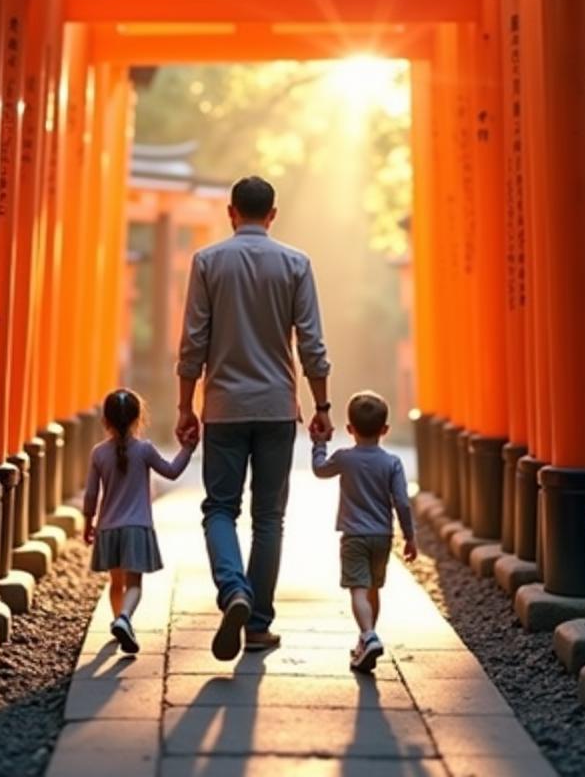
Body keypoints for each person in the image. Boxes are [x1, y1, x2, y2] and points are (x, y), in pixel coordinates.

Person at [176, 175, 333, 661]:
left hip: (223, 407)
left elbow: (193, 344)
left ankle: (233, 591)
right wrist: (323, 406)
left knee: (220, 509)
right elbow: (312, 343)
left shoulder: (207, 262)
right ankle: (258, 623)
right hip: (276, 407)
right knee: (269, 517)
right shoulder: (295, 263)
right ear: (272, 214)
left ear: (230, 212)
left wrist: (186, 406)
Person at [83, 387, 198, 654]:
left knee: (116, 583)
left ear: (105, 421)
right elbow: (171, 471)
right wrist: (187, 449)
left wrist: (88, 522)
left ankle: (117, 621)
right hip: (137, 527)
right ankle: (124, 619)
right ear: (138, 419)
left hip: (108, 528)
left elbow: (91, 494)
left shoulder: (98, 453)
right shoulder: (144, 450)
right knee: (134, 585)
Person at [310, 390, 417, 673]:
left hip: (354, 535)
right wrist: (410, 536)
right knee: (373, 589)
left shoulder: (345, 458)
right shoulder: (392, 463)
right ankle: (367, 638)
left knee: (357, 589)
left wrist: (319, 444)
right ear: (385, 429)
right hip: (383, 536)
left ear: (349, 429)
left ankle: (368, 635)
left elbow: (319, 470)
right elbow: (402, 503)